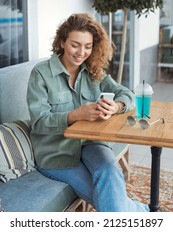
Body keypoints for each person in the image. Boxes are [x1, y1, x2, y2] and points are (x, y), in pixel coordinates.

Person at [27, 13, 149, 212]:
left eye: (88, 46)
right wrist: (75, 115)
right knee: (106, 196)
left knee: (110, 172)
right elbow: (39, 121)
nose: (81, 52)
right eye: (75, 45)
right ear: (62, 42)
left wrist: (117, 106)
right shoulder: (41, 74)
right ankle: (144, 212)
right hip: (56, 153)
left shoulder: (92, 71)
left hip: (92, 143)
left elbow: (127, 93)